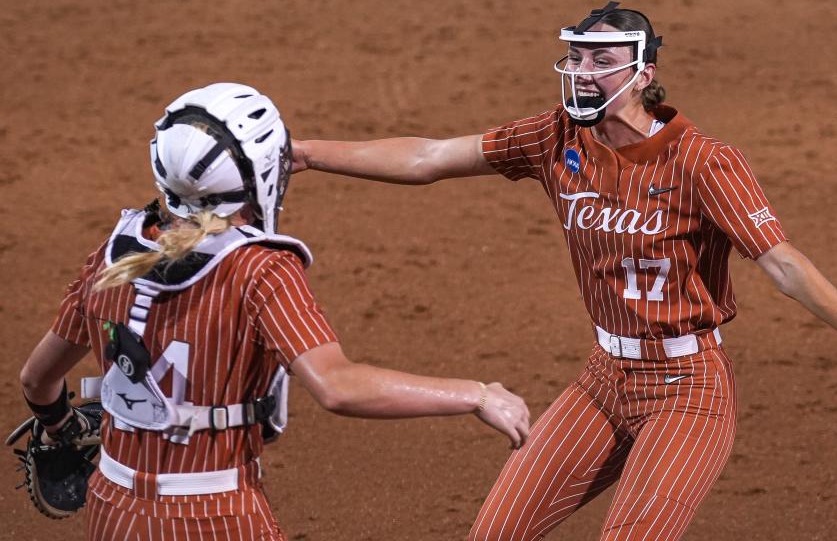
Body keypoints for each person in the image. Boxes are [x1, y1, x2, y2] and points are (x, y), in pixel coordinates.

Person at [290, 1, 837, 540]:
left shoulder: (703, 162)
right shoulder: (554, 137)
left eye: (602, 61)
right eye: (578, 59)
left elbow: (780, 261)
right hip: (604, 378)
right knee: (494, 533)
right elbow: (429, 157)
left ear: (644, 74)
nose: (584, 74)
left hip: (687, 390)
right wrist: (309, 154)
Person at [17, 82, 530, 540]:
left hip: (113, 507)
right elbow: (339, 387)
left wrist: (61, 427)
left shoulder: (113, 254)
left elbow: (37, 381)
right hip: (214, 514)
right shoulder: (259, 270)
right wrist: (476, 394)